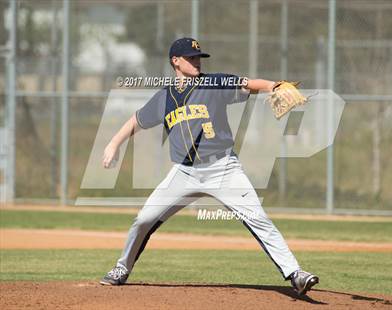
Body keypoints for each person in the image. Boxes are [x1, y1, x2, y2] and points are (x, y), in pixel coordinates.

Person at [100, 37, 319, 295]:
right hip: (184, 172)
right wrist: (113, 143)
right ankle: (121, 268)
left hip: (224, 169)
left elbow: (247, 83)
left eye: (198, 58)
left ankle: (296, 274)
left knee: (258, 218)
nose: (196, 62)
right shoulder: (164, 98)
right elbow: (136, 120)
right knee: (143, 220)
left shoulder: (213, 83)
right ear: (176, 62)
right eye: (191, 58)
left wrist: (274, 85)